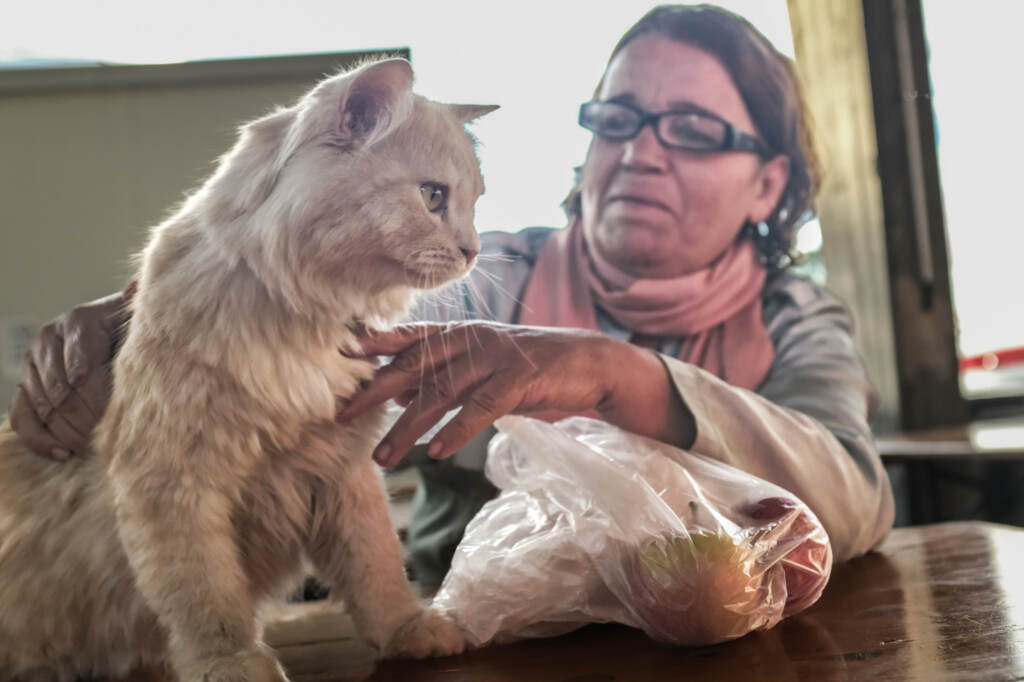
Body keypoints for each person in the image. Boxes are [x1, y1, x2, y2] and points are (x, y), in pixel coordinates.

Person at [10, 5, 893, 594]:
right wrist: (137, 321)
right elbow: (311, 302)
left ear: (769, 183)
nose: (643, 152)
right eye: (616, 120)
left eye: (694, 130)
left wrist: (613, 375)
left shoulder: (793, 321)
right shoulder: (483, 278)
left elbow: (856, 495)